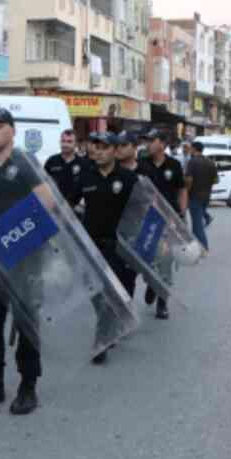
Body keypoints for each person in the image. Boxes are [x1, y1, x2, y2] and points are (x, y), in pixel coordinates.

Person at [0, 107, 52, 416]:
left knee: (26, 323)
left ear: (12, 131)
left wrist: (14, 235)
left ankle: (28, 387)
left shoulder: (24, 162)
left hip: (23, 257)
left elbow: (47, 201)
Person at [77, 131, 141, 365]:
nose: (99, 151)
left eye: (104, 147)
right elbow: (65, 202)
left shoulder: (128, 178)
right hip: (91, 246)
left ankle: (101, 341)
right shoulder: (86, 176)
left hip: (117, 248)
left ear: (114, 151)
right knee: (96, 294)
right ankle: (109, 327)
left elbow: (140, 211)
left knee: (111, 295)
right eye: (96, 147)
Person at [138, 129, 187, 320]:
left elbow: (181, 190)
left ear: (162, 144)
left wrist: (182, 214)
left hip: (168, 222)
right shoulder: (142, 165)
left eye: (151, 140)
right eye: (147, 140)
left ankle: (162, 303)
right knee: (146, 259)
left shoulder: (174, 165)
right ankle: (151, 282)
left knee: (165, 262)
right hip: (146, 220)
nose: (148, 144)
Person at [183, 141, 218, 252]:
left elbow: (189, 180)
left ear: (194, 149)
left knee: (197, 225)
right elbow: (216, 180)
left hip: (194, 196)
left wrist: (186, 192)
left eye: (191, 148)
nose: (189, 150)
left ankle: (203, 247)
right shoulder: (210, 162)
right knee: (198, 220)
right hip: (206, 196)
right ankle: (200, 246)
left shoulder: (192, 162)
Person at [44, 129, 93, 205]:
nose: (65, 144)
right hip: (53, 206)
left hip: (74, 210)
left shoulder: (84, 164)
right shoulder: (52, 161)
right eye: (63, 141)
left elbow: (88, 189)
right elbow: (43, 184)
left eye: (69, 141)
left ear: (76, 144)